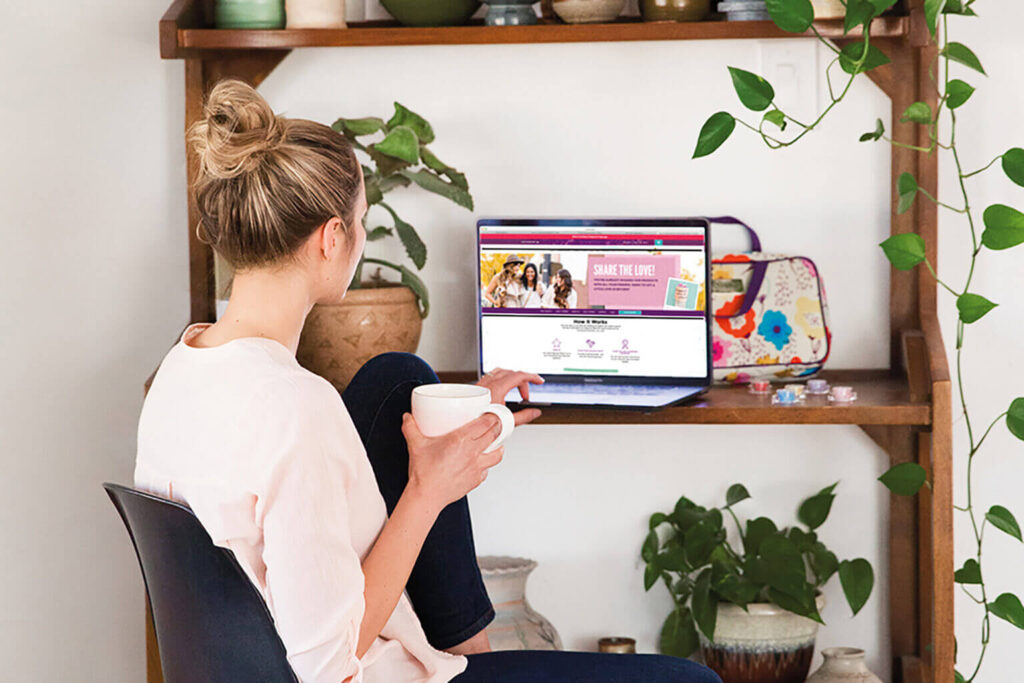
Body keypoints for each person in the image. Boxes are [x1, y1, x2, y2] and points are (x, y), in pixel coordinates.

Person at [134, 79, 720, 683]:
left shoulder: (183, 363)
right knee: (692, 682)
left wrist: (457, 406)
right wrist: (428, 491)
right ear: (332, 239)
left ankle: (477, 658)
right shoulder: (296, 409)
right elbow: (328, 667)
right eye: (360, 222)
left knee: (398, 381)